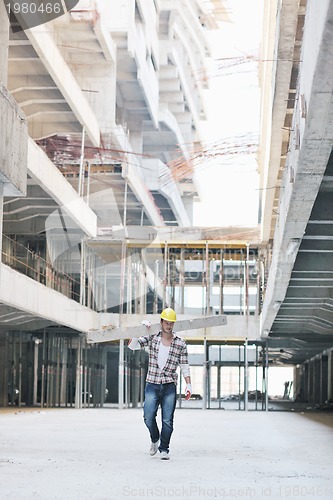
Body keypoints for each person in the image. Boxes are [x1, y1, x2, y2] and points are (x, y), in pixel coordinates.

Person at [128, 307, 192, 460]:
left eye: (171, 323)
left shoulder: (180, 343)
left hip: (169, 385)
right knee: (148, 416)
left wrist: (188, 384)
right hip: (152, 383)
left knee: (167, 420)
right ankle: (154, 439)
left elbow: (184, 365)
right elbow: (132, 346)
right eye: (166, 322)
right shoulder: (152, 338)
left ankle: (164, 448)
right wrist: (140, 330)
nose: (169, 326)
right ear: (161, 322)